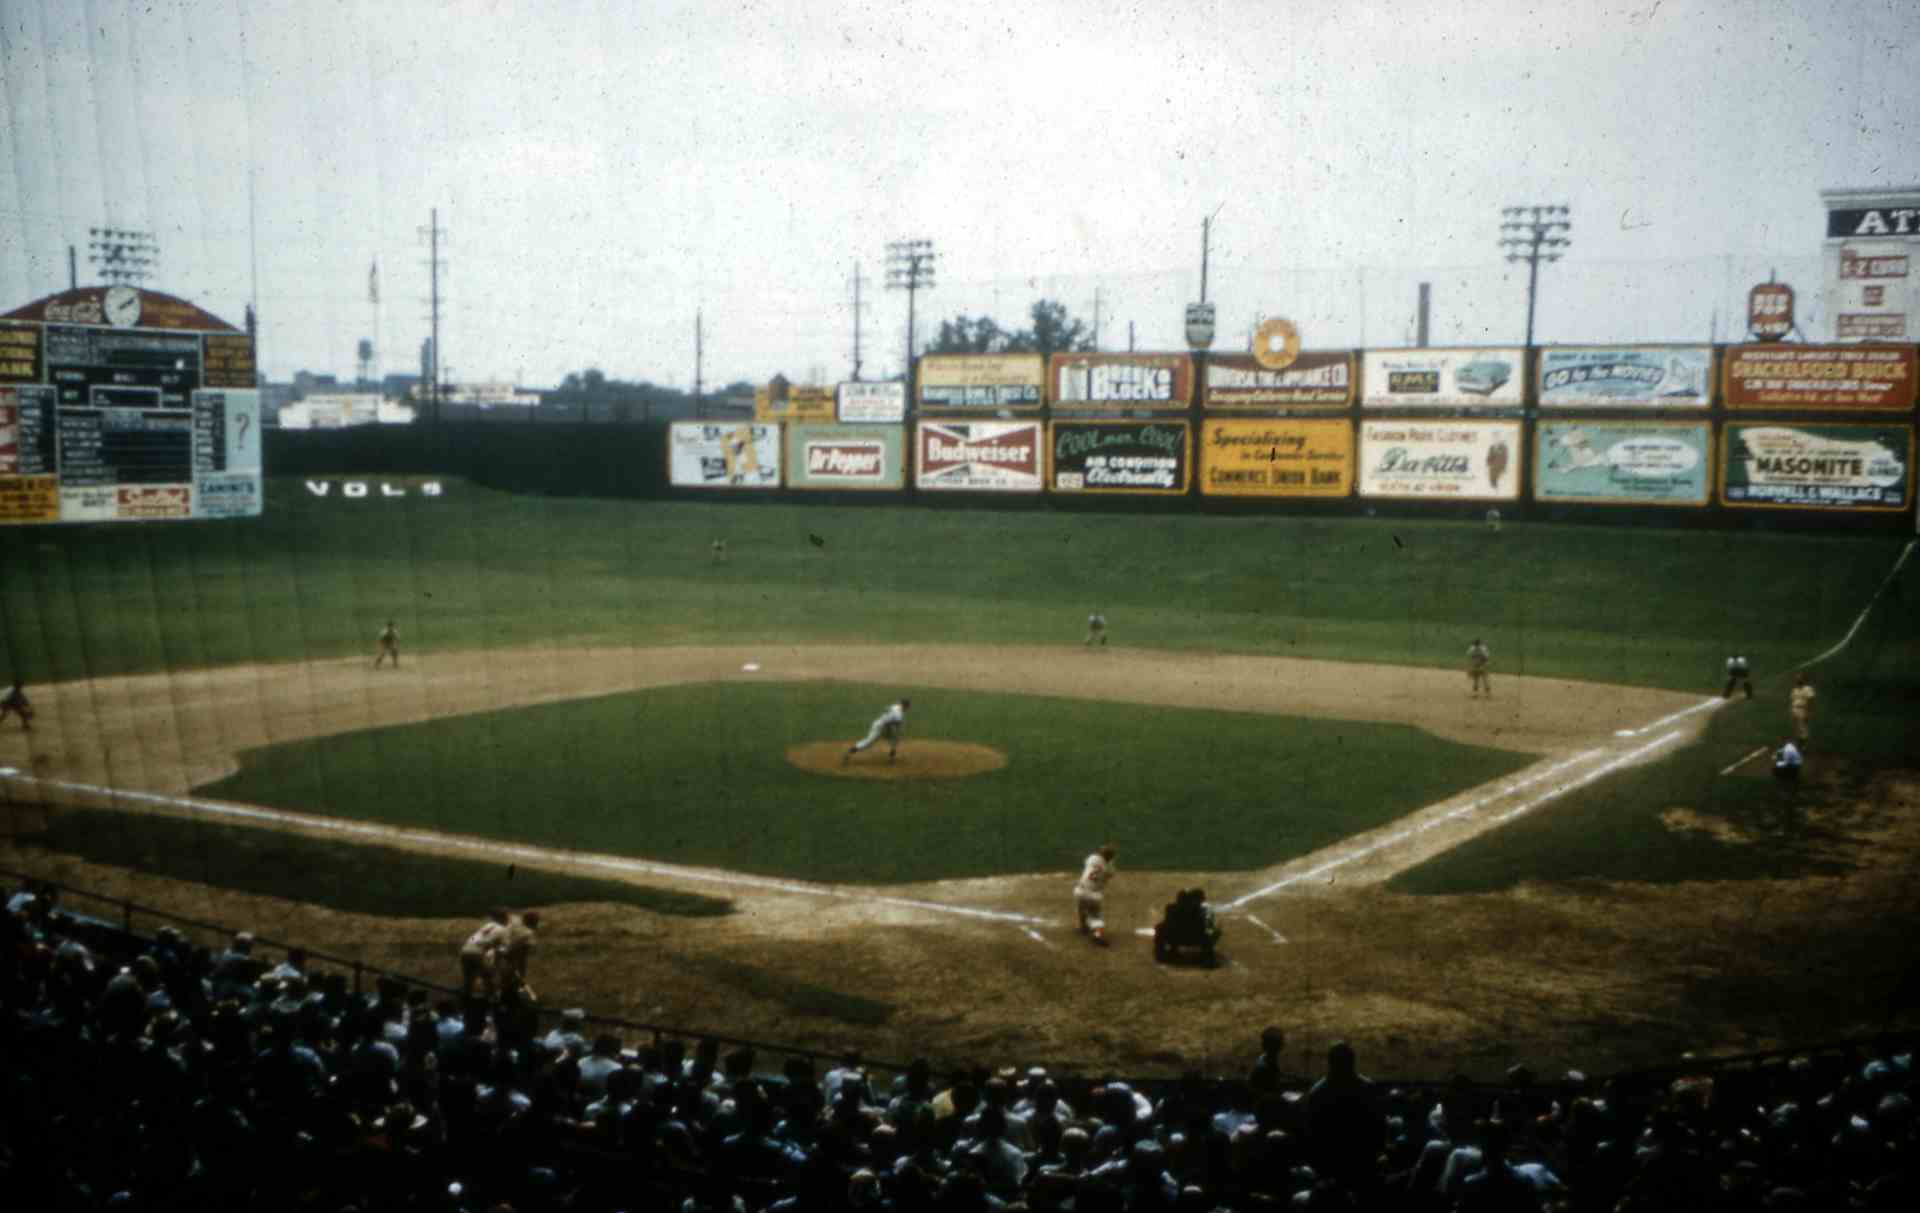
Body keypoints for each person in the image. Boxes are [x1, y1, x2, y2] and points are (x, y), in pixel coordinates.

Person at [459, 908, 508, 1000]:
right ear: (503, 918)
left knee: (468, 980)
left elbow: (480, 939)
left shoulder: (488, 925)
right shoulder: (503, 929)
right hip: (477, 953)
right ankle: (493, 1001)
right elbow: (503, 948)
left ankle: (464, 1001)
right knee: (489, 978)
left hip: (465, 950)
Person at [1075, 844, 1117, 946]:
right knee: (1096, 917)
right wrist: (1109, 860)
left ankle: (1083, 927)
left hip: (1079, 891)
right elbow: (1108, 870)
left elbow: (1097, 859)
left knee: (1082, 906)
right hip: (1093, 895)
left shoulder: (1092, 859)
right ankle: (1098, 935)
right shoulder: (1110, 870)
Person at [844, 697, 910, 763]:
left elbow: (886, 709)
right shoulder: (899, 715)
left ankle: (891, 757)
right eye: (907, 707)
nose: (908, 708)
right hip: (880, 727)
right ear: (905, 706)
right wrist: (898, 732)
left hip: (884, 726)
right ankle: (850, 751)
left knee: (895, 740)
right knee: (868, 742)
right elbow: (895, 725)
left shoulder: (895, 706)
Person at [1789, 672, 1815, 743]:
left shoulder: (1808, 688)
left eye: (1799, 678)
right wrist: (1792, 711)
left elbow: (1811, 700)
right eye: (1797, 678)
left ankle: (1804, 743)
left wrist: (1809, 711)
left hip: (1803, 709)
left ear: (1804, 680)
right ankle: (1798, 741)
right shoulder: (1794, 689)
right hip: (1795, 709)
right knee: (1797, 728)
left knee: (1803, 727)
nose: (1797, 680)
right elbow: (1792, 700)